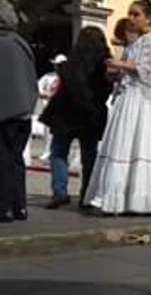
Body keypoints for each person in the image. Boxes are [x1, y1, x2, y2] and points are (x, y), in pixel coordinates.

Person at [83, 0, 151, 216]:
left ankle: (141, 198)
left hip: (144, 102)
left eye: (136, 14)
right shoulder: (135, 43)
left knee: (140, 144)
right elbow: (129, 71)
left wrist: (122, 65)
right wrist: (115, 72)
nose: (131, 18)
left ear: (149, 17)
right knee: (123, 144)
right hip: (129, 99)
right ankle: (119, 196)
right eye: (130, 13)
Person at [39, 27, 113, 209]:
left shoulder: (71, 62)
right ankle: (87, 193)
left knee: (58, 152)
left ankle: (60, 192)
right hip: (91, 113)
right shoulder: (104, 63)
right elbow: (107, 89)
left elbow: (69, 84)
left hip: (65, 114)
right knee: (89, 155)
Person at [0, 0, 37, 223]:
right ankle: (19, 206)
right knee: (16, 160)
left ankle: (3, 208)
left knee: (3, 160)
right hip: (23, 111)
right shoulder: (21, 44)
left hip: (5, 111)